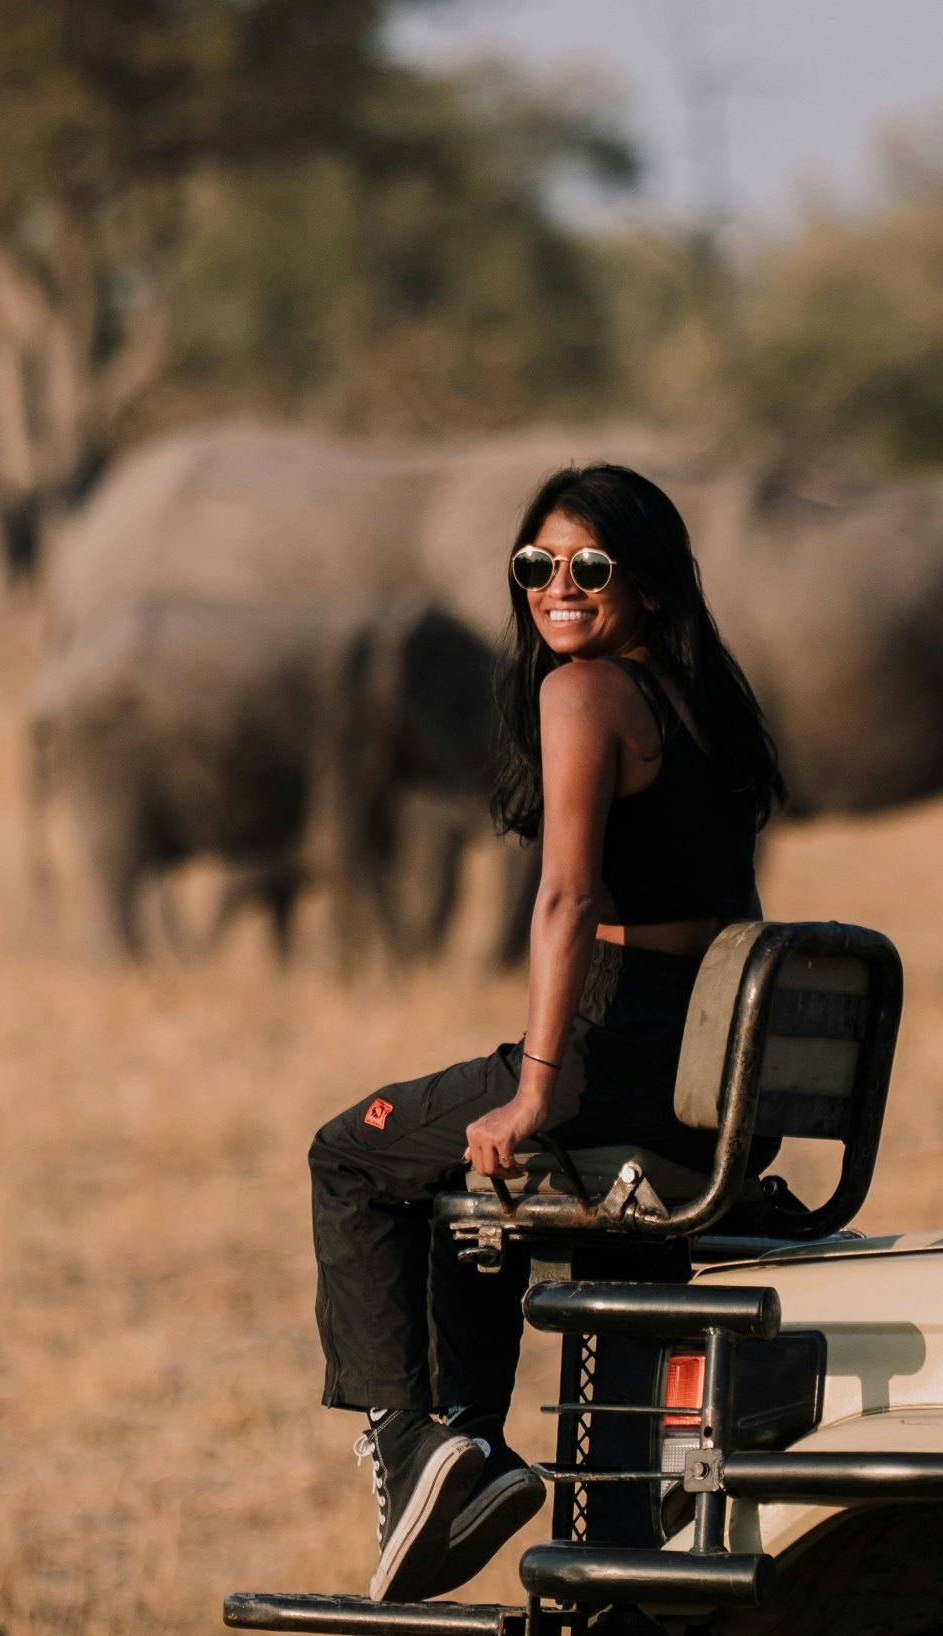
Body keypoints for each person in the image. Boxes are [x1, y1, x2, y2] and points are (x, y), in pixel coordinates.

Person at [306, 465, 788, 1602]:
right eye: (536, 566)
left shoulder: (585, 694)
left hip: (609, 1055)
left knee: (354, 1154)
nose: (557, 588)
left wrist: (533, 1089)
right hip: (702, 1078)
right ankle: (484, 1461)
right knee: (458, 1171)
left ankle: (420, 1443)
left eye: (589, 567)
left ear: (652, 585)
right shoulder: (705, 700)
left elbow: (567, 898)